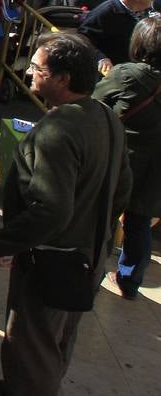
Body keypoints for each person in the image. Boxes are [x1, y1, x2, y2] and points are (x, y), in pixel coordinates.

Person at [0, 32, 130, 396]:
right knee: (57, 342)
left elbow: (51, 208)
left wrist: (4, 242)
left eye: (36, 68)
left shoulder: (58, 130)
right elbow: (123, 188)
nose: (29, 73)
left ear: (62, 78)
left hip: (53, 261)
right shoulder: (106, 117)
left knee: (31, 349)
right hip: (87, 258)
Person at [94, 18, 161, 300]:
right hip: (157, 169)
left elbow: (94, 104)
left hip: (123, 161)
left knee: (104, 219)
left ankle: (93, 270)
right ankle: (130, 281)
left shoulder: (128, 74)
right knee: (140, 222)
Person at [78, 0, 161, 74]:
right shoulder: (104, 13)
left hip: (146, 69)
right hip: (120, 74)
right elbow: (82, 39)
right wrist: (101, 58)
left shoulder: (152, 8)